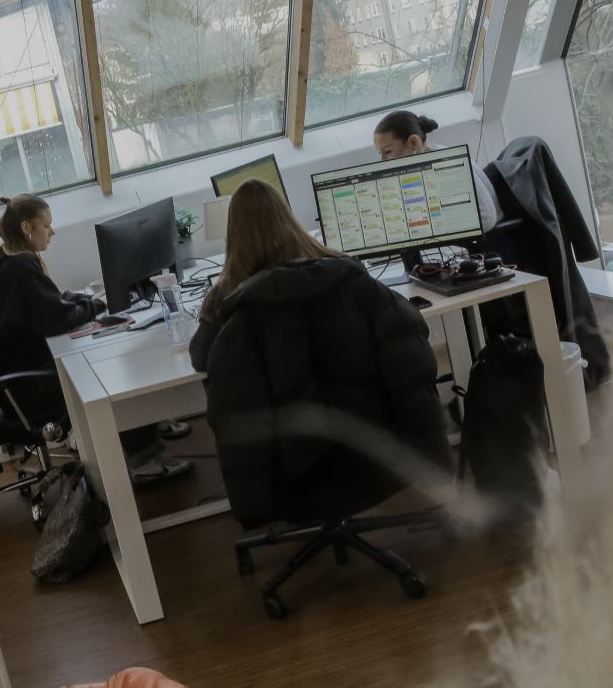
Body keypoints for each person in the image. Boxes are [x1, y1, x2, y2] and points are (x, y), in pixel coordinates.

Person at [188, 179, 451, 513]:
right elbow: (410, 358)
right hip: (381, 455)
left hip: (296, 474)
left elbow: (201, 358)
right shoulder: (348, 275)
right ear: (288, 217)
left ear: (233, 235)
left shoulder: (230, 298)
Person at [0, 194, 193, 486]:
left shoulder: (12, 260)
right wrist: (98, 305)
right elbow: (57, 318)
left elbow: (49, 302)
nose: (52, 232)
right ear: (27, 228)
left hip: (18, 378)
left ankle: (148, 425)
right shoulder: (20, 269)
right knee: (113, 376)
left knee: (110, 359)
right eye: (47, 225)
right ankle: (143, 460)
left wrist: (86, 299)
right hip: (27, 386)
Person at [373, 110, 502, 232]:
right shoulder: (428, 159)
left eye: (387, 152)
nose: (383, 160)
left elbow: (487, 219)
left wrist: (433, 226)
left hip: (493, 238)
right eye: (380, 154)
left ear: (413, 142)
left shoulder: (445, 164)